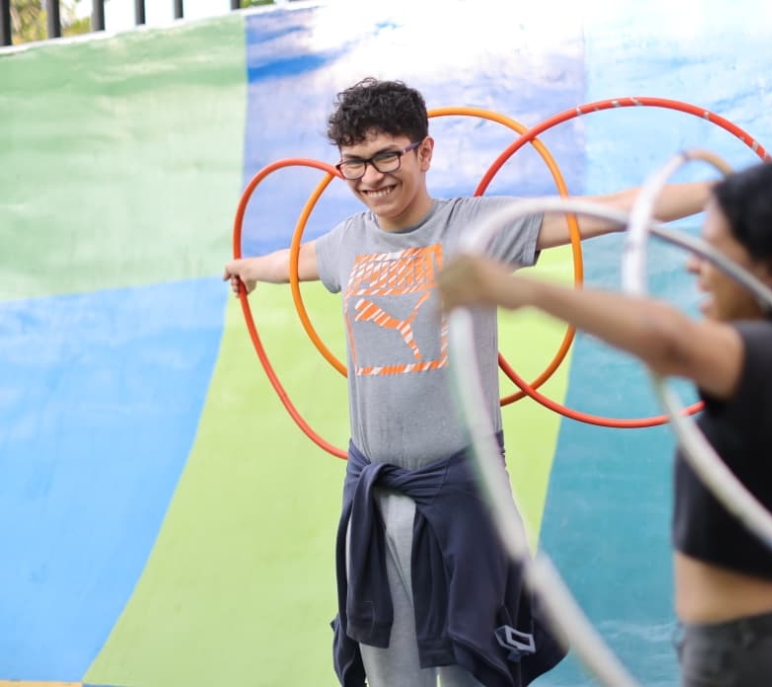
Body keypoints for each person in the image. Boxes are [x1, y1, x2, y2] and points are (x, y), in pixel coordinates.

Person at [222, 76, 715, 687]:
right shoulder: (347, 241)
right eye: (354, 161)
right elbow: (292, 261)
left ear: (424, 152)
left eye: (386, 156)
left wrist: (722, 192)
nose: (370, 176)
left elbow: (608, 210)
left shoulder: (477, 229)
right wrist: (248, 268)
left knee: (473, 667)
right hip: (376, 497)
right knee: (388, 670)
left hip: (464, 493)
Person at [438, 158, 772, 687]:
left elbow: (671, 341)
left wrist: (525, 292)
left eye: (711, 251)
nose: (693, 266)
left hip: (762, 659)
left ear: (768, 269)